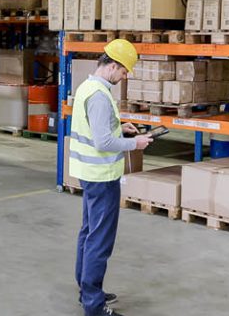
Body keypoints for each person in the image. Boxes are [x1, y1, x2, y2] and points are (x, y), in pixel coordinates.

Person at [71, 39, 153, 316]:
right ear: (112, 66)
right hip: (102, 175)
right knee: (100, 240)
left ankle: (87, 290)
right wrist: (135, 143)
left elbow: (102, 130)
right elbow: (102, 142)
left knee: (89, 233)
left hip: (89, 173)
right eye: (124, 71)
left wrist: (121, 128)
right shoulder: (99, 96)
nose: (125, 76)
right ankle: (93, 304)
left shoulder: (89, 86)